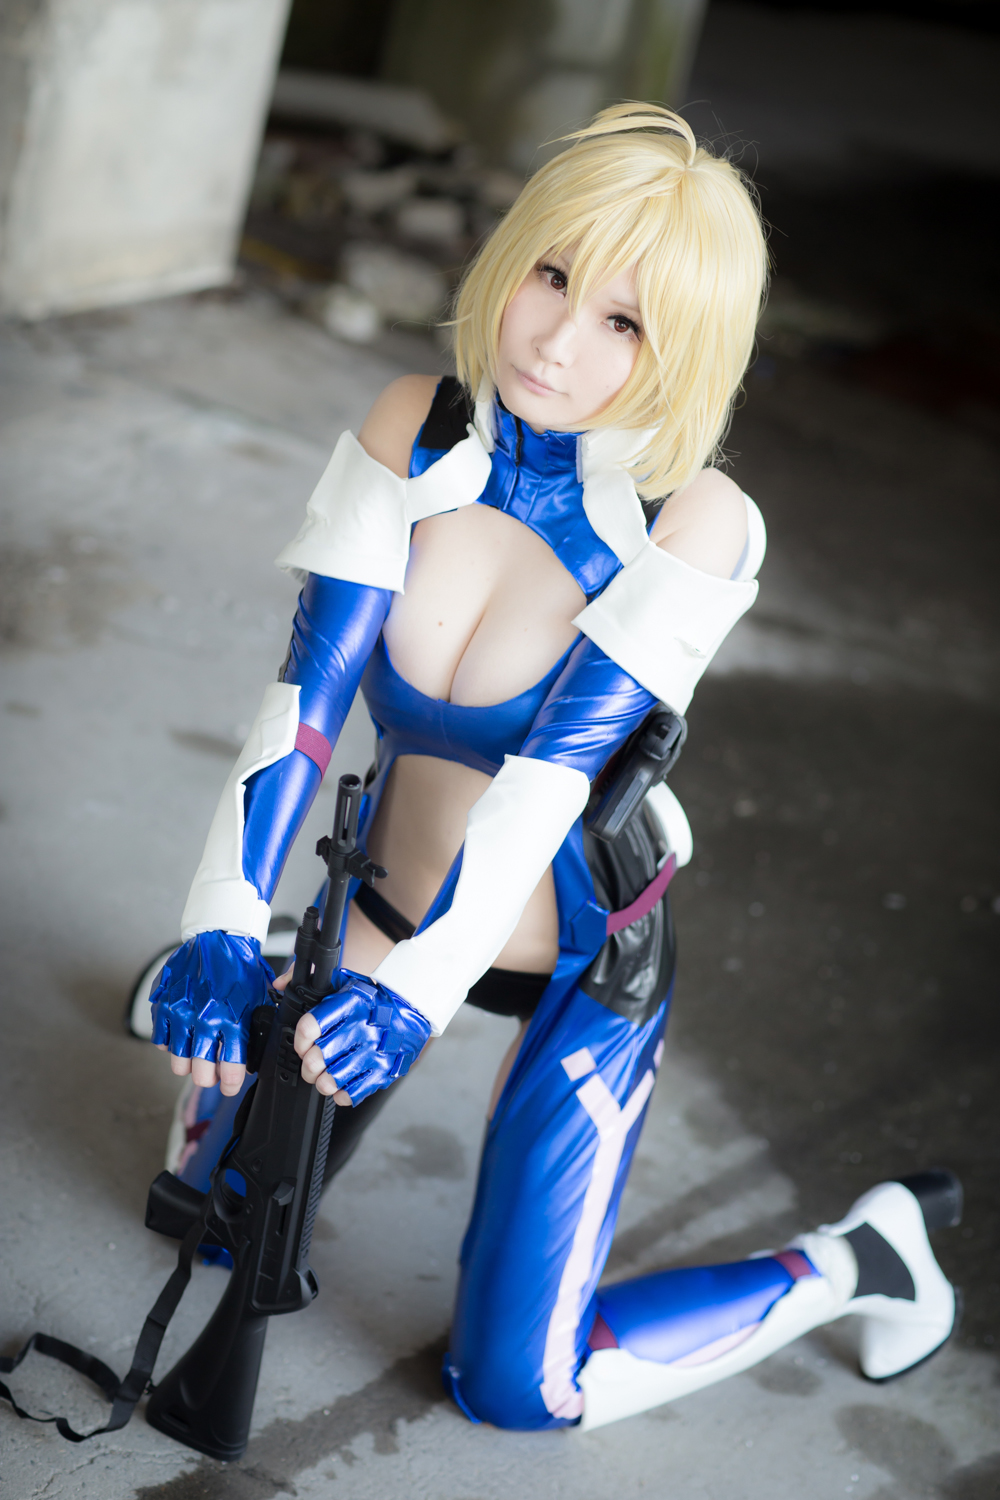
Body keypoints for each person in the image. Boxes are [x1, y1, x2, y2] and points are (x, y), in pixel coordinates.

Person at [149, 104, 960, 1432]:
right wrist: (223, 922)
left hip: (580, 955)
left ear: (685, 348)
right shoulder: (418, 426)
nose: (556, 340)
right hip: (380, 899)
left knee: (521, 1388)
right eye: (551, 275)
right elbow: (307, 702)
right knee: (210, 1215)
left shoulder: (696, 522)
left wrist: (410, 999)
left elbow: (545, 786)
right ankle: (250, 984)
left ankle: (862, 1260)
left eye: (625, 323)